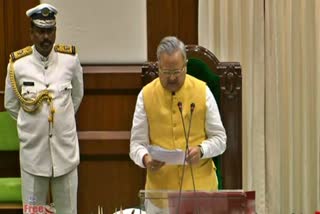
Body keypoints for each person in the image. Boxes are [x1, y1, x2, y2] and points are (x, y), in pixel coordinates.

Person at [129, 36, 227, 211]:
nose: (172, 78)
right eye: (166, 73)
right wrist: (145, 159)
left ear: (185, 65)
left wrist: (202, 150)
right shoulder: (146, 96)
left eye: (177, 71)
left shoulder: (203, 91)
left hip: (200, 194)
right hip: (160, 197)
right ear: (158, 66)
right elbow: (136, 144)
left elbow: (220, 139)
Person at [4, 3, 83, 214]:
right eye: (40, 31)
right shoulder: (17, 64)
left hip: (64, 153)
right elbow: (11, 104)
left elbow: (76, 97)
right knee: (33, 211)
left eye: (50, 31)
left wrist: (60, 119)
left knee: (68, 211)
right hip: (33, 155)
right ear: (31, 33)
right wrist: (33, 124)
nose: (45, 37)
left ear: (55, 32)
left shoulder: (70, 60)